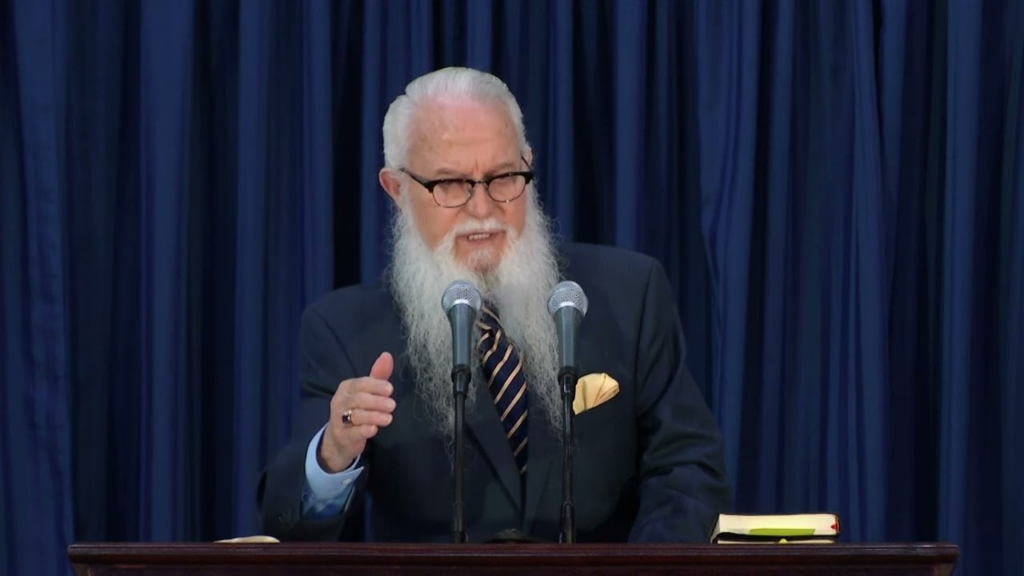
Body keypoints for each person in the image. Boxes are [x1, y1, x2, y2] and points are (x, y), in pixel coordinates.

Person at [256, 67, 732, 543]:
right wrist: (333, 454)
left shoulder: (630, 294)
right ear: (397, 189)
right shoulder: (345, 330)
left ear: (528, 164)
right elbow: (288, 523)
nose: (482, 209)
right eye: (450, 184)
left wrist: (638, 572)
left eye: (503, 177)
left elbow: (688, 469)